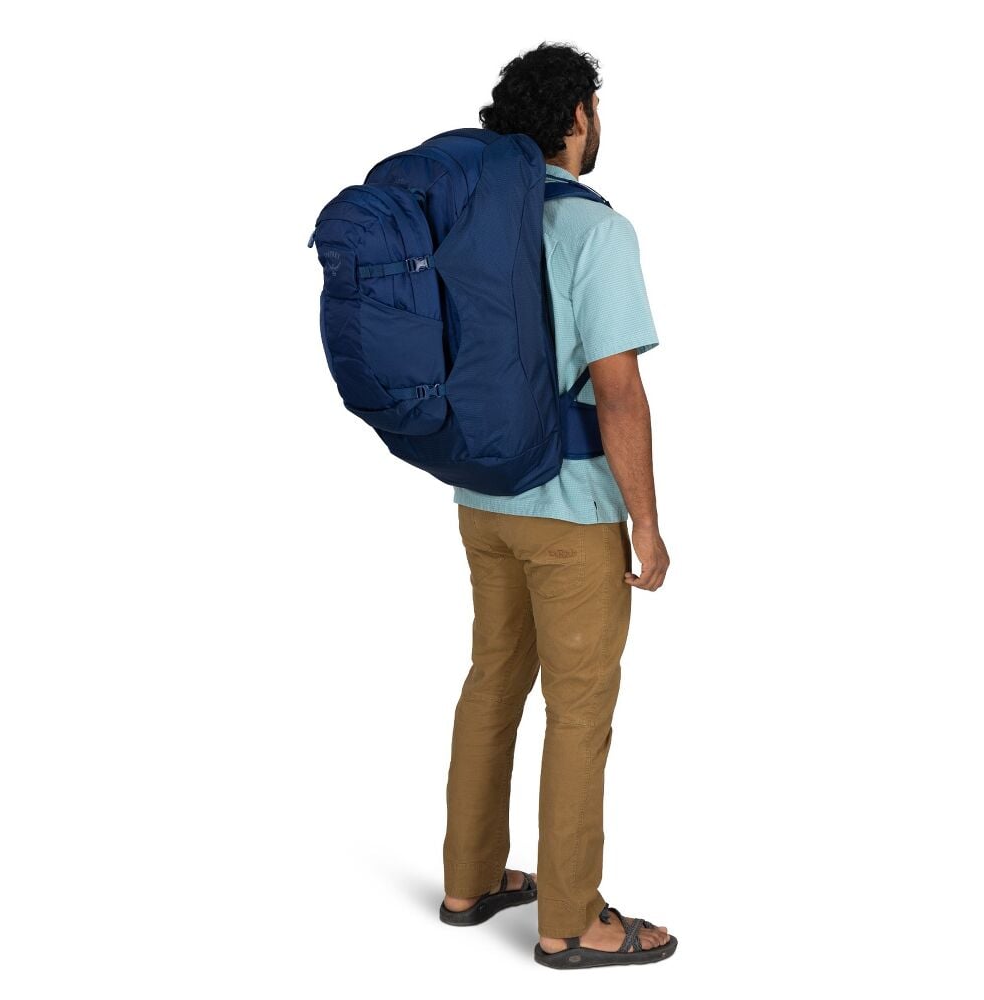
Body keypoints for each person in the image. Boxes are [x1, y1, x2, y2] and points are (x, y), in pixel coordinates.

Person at [438, 43, 677, 970]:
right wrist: (646, 523)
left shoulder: (472, 223)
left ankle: (471, 880)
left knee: (491, 680)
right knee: (580, 710)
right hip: (572, 512)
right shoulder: (596, 233)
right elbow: (617, 392)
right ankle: (572, 921)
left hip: (482, 496)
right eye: (594, 111)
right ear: (577, 117)